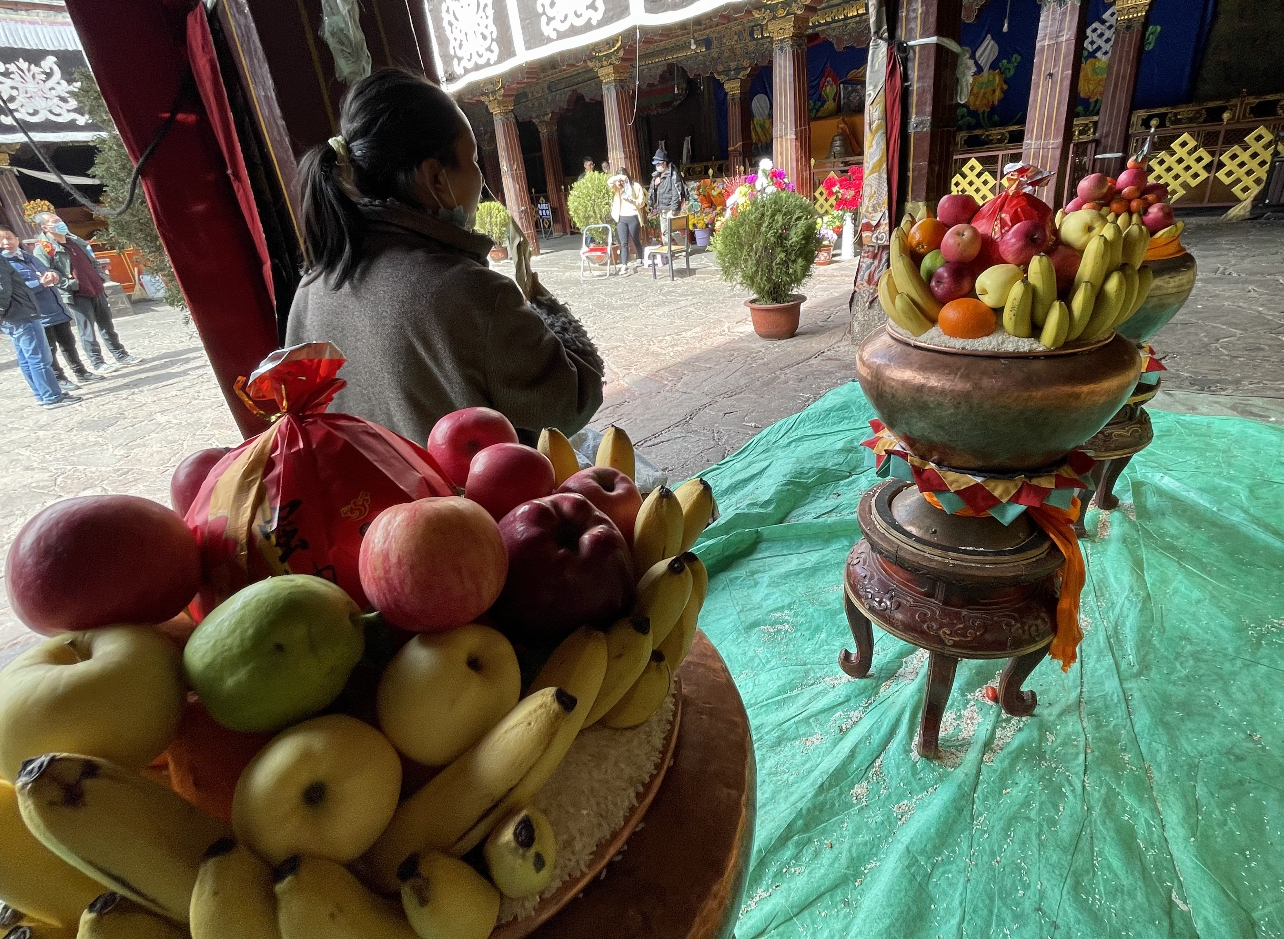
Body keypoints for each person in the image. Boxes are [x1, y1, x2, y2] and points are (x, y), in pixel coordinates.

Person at [285, 68, 603, 446]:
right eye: (471, 160)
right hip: (465, 506)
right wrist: (544, 306)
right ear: (436, 178)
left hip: (366, 506)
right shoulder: (470, 291)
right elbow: (570, 403)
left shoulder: (310, 289)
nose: (480, 179)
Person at [32, 212, 139, 371]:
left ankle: (120, 354)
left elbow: (92, 259)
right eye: (55, 221)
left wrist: (99, 277)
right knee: (87, 330)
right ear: (44, 227)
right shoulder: (43, 249)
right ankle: (98, 362)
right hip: (76, 294)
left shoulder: (74, 239)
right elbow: (48, 274)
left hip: (95, 287)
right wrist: (72, 284)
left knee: (107, 325)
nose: (61, 223)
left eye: (60, 219)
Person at [0, 228, 103, 393]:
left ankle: (80, 371)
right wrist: (41, 283)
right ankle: (58, 380)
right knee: (48, 351)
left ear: (17, 239)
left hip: (55, 307)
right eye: (2, 240)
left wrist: (53, 275)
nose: (7, 243)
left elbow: (48, 270)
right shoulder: (6, 265)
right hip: (37, 313)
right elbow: (18, 290)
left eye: (9, 238)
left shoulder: (28, 257)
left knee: (68, 343)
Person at [0, 256, 80, 410]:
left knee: (26, 358)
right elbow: (3, 288)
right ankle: (51, 396)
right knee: (38, 357)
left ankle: (42, 394)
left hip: (11, 317)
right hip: (21, 313)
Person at [608, 173, 646, 274]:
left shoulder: (635, 186)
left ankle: (640, 258)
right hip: (621, 217)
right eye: (620, 180)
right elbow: (609, 182)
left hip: (633, 216)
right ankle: (624, 265)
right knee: (623, 243)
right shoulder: (618, 187)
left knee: (635, 239)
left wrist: (632, 200)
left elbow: (642, 202)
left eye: (623, 179)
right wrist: (618, 178)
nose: (622, 182)